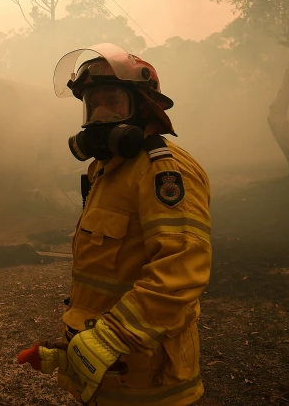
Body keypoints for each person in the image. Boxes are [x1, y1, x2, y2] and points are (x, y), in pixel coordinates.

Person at [18, 44, 212, 405]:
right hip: (110, 370)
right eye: (93, 105)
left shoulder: (163, 171)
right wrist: (73, 348)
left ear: (143, 107)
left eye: (113, 102)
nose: (101, 115)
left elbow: (182, 270)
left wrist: (111, 336)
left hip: (148, 383)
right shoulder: (107, 170)